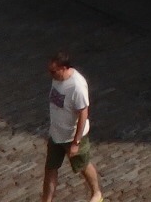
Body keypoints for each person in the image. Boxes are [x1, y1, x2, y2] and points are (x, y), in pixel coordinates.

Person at [42, 53, 100, 202]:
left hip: (72, 136)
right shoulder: (57, 78)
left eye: (53, 71)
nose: (50, 74)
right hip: (56, 134)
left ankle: (96, 193)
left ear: (64, 68)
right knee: (50, 168)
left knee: (83, 165)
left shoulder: (77, 86)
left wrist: (76, 142)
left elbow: (83, 114)